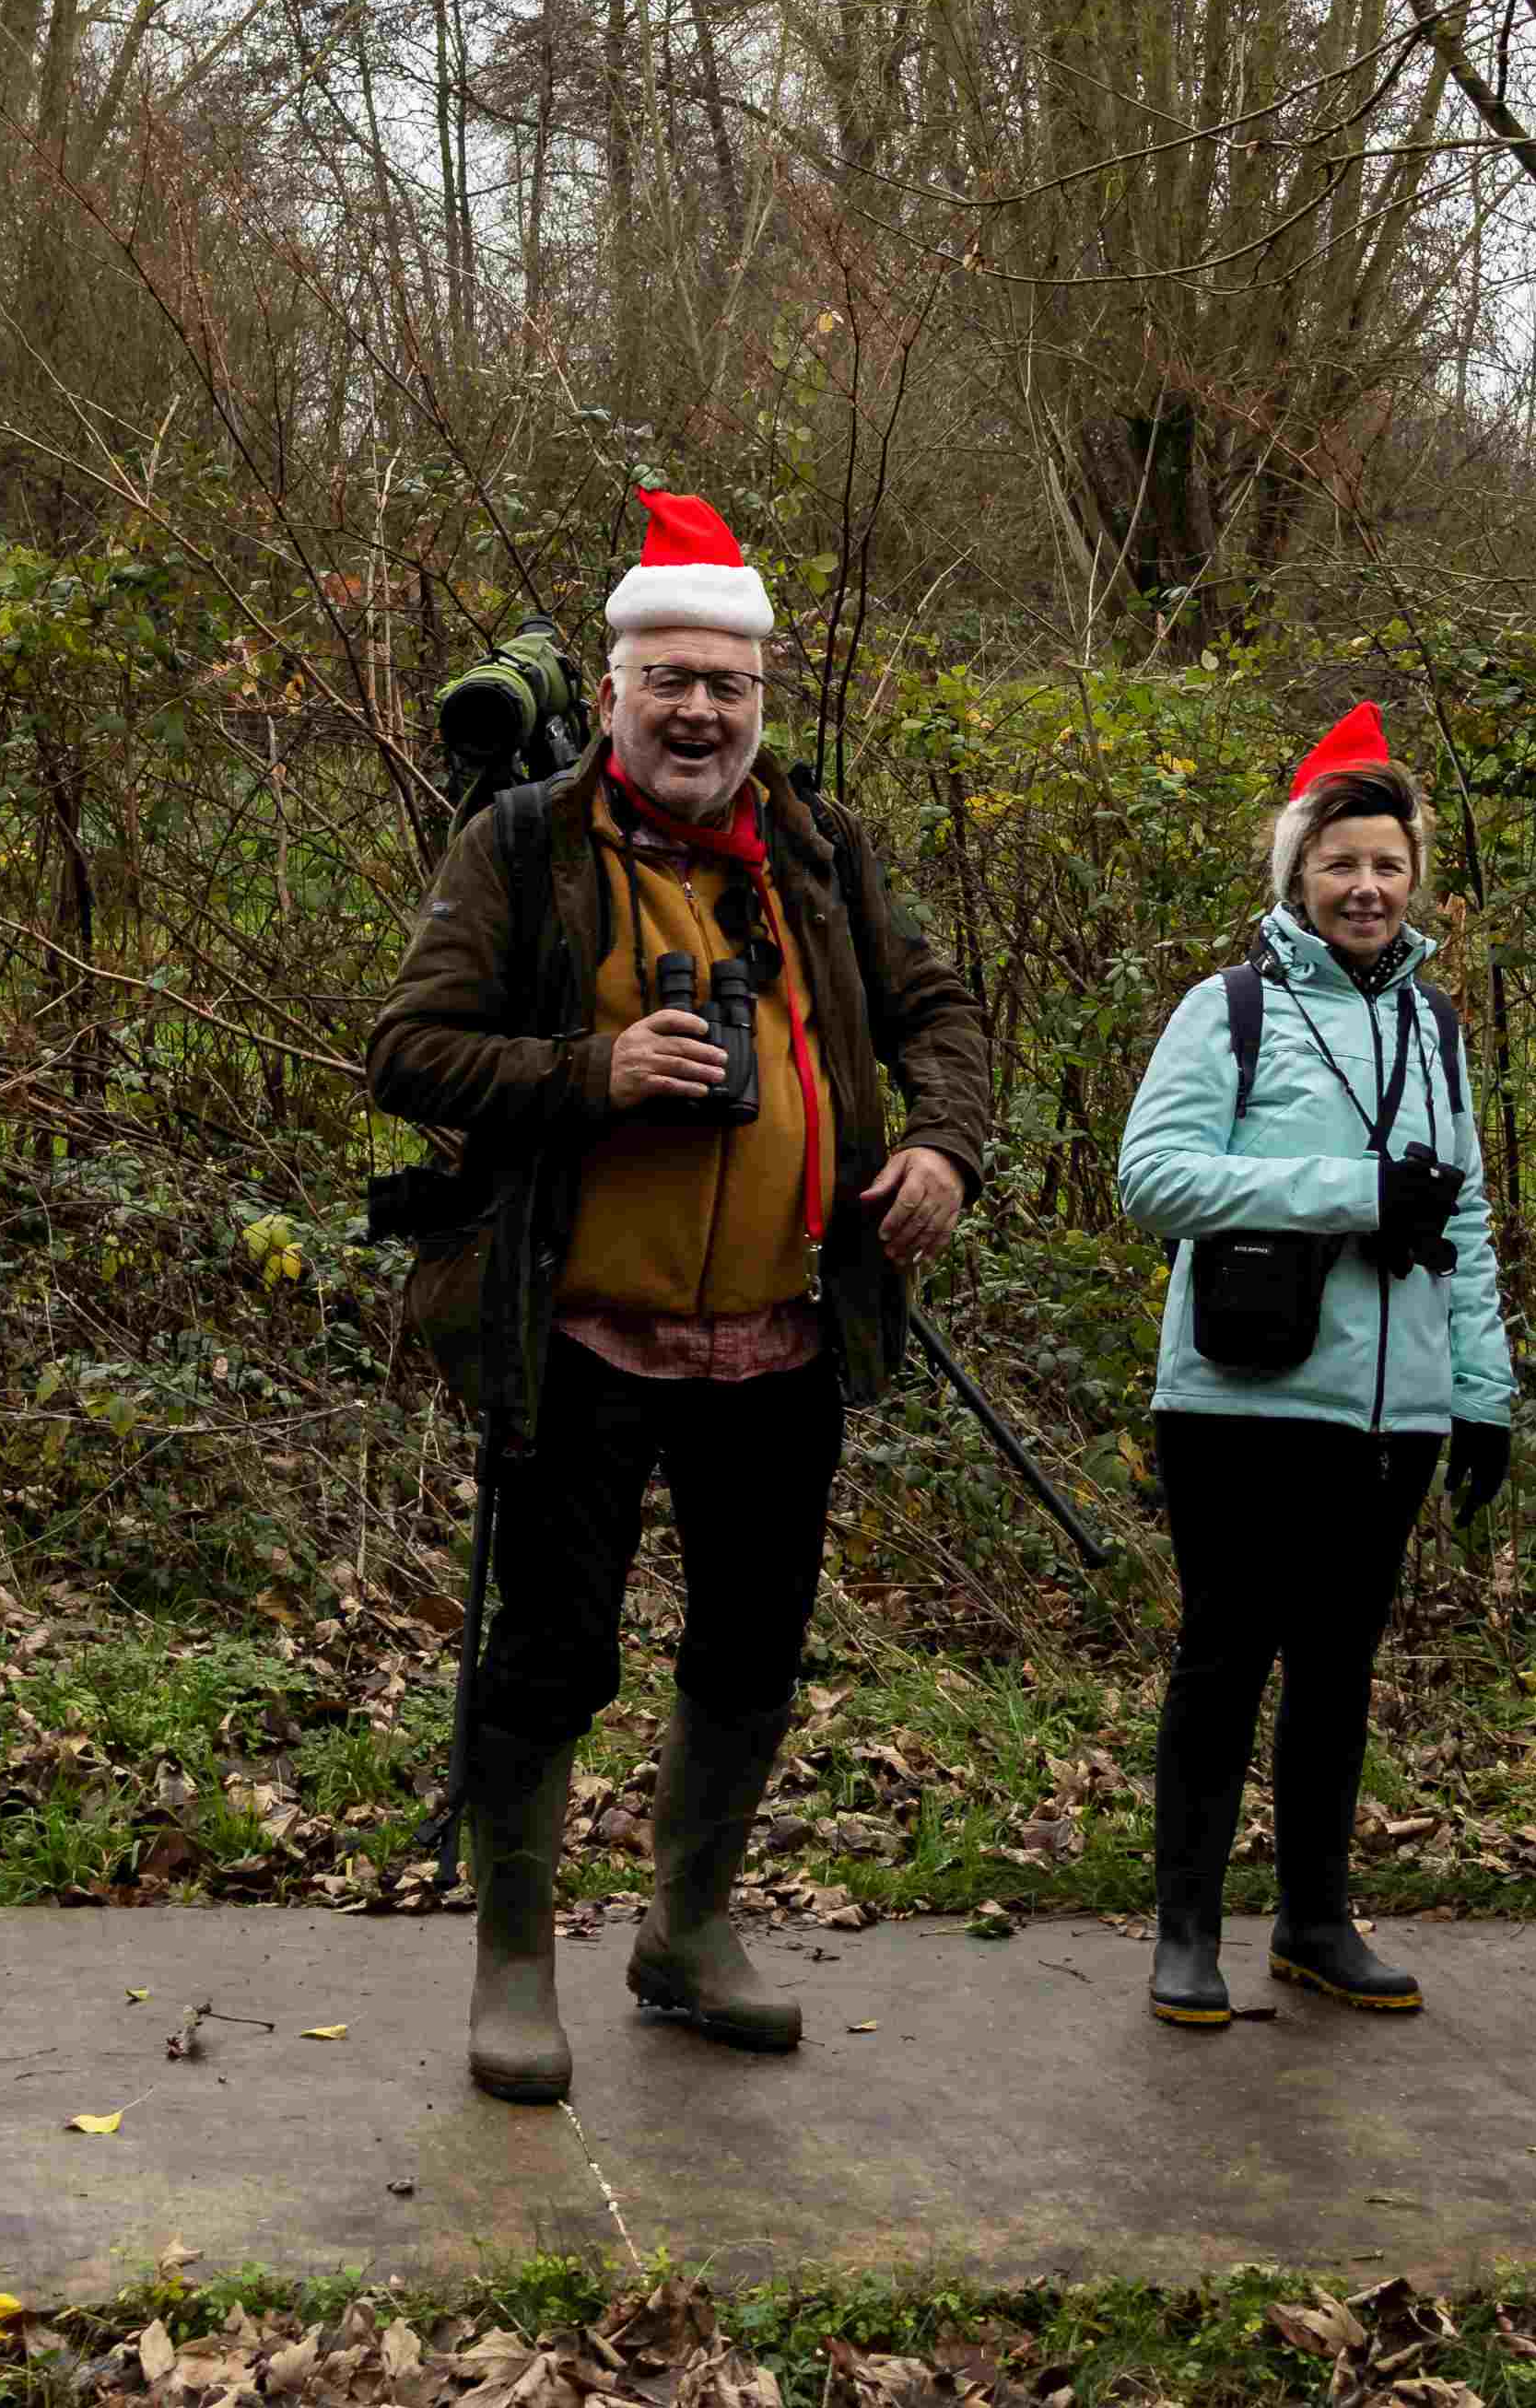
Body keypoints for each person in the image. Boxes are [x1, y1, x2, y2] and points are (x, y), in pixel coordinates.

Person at [364, 488, 996, 2107]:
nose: (701, 710)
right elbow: (407, 1053)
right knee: (553, 1656)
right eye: (672, 680)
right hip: (577, 1333)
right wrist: (595, 1068)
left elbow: (940, 1011)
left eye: (730, 684)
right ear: (618, 683)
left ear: (762, 698)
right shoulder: (524, 845)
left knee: (751, 1651)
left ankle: (686, 1934)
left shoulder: (820, 845)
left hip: (783, 1334)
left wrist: (942, 1152)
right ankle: (517, 1967)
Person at [1111, 704, 1518, 2028]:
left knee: (1340, 1665)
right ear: (1296, 875)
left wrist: (1482, 1392)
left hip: (1389, 1414)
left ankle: (1314, 1920)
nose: (1366, 887)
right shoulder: (1227, 1011)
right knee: (1226, 1656)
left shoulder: (1438, 1027)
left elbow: (1460, 1220)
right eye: (1341, 863)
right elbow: (1155, 1178)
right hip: (1238, 1399)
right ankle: (1185, 1934)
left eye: (1388, 865)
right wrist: (1346, 1192)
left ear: (1416, 882)